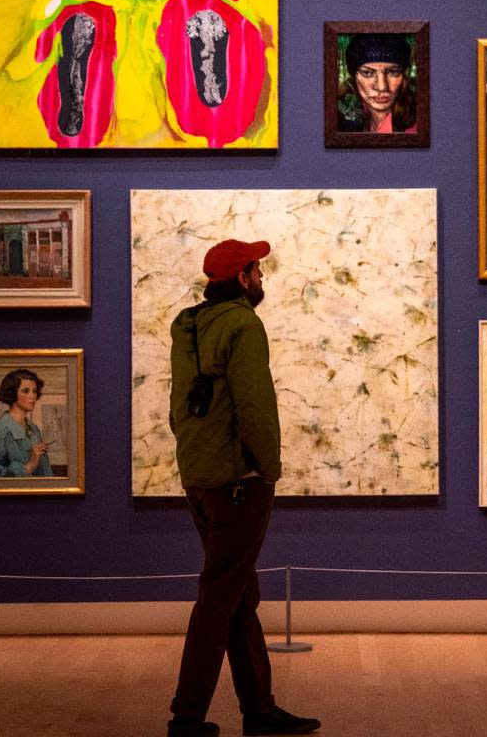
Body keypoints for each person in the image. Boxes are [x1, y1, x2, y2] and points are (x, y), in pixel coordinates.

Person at [167, 239, 320, 737]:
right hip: (239, 482)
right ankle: (186, 716)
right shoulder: (243, 324)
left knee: (237, 593)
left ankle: (259, 708)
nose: (262, 278)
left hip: (200, 476)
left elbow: (182, 405)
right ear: (240, 278)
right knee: (219, 597)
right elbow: (255, 406)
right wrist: (268, 468)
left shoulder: (187, 324)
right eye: (256, 270)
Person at [0, 369, 53, 477]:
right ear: (12, 393)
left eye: (34, 391)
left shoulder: (34, 429)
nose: (33, 396)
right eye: (25, 391)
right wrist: (30, 465)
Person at [336, 33, 417, 133]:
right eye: (368, 73)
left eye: (393, 72)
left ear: (403, 76)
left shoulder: (418, 125)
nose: (382, 87)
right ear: (354, 77)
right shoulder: (340, 118)